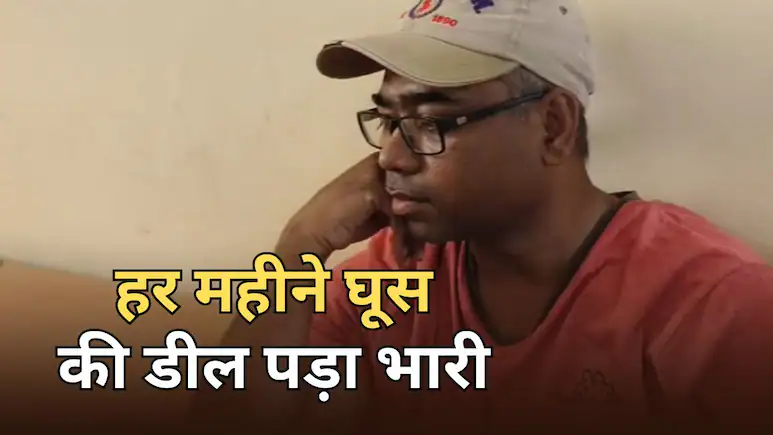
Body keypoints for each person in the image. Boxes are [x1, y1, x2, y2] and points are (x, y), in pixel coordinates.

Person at [191, 0, 773, 432]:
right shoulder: (396, 275)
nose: (391, 156)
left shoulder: (707, 302)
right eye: (389, 120)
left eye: (431, 121)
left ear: (553, 127)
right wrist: (297, 251)